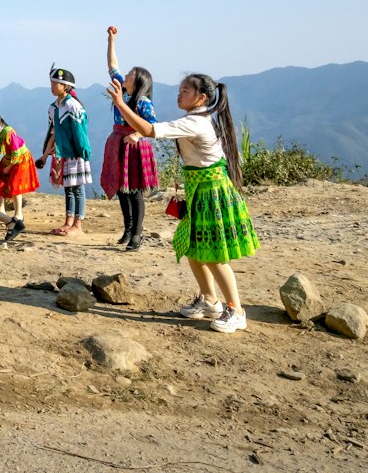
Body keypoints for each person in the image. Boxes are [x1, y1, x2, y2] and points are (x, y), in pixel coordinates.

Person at [110, 72, 258, 334]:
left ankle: (237, 310)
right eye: (179, 90)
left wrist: (121, 104)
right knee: (193, 247)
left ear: (201, 97)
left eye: (185, 91)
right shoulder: (197, 119)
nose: (179, 94)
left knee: (214, 255)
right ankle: (210, 300)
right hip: (201, 191)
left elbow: (149, 130)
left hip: (212, 193)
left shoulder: (196, 123)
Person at [103, 27, 159, 250]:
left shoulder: (142, 101)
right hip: (119, 142)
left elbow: (152, 124)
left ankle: (137, 233)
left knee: (134, 191)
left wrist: (136, 134)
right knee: (121, 189)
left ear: (137, 82)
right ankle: (127, 228)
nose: (124, 76)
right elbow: (112, 65)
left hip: (134, 147)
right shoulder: (122, 93)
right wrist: (111, 40)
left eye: (129, 75)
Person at [42, 67, 92, 236]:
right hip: (63, 153)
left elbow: (80, 131)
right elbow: (54, 132)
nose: (52, 86)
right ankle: (68, 222)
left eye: (55, 83)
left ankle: (78, 224)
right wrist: (46, 153)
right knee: (68, 189)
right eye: (51, 83)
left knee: (78, 188)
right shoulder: (53, 108)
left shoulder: (72, 105)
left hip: (75, 152)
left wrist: (82, 151)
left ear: (65, 86)